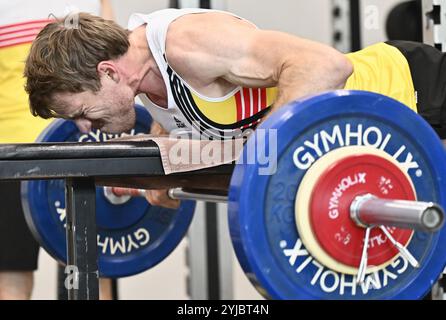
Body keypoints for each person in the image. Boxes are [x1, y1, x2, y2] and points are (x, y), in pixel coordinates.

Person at [23, 8, 446, 208]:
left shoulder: (188, 43)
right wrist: (150, 181)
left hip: (411, 95)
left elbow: (326, 65)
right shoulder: (148, 90)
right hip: (370, 147)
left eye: (79, 110)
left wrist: (260, 152)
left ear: (108, 72)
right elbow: (173, 191)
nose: (82, 126)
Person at [0, 0, 114, 300]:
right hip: (16, 151)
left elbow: (114, 70)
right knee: (14, 280)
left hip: (75, 148)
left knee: (89, 275)